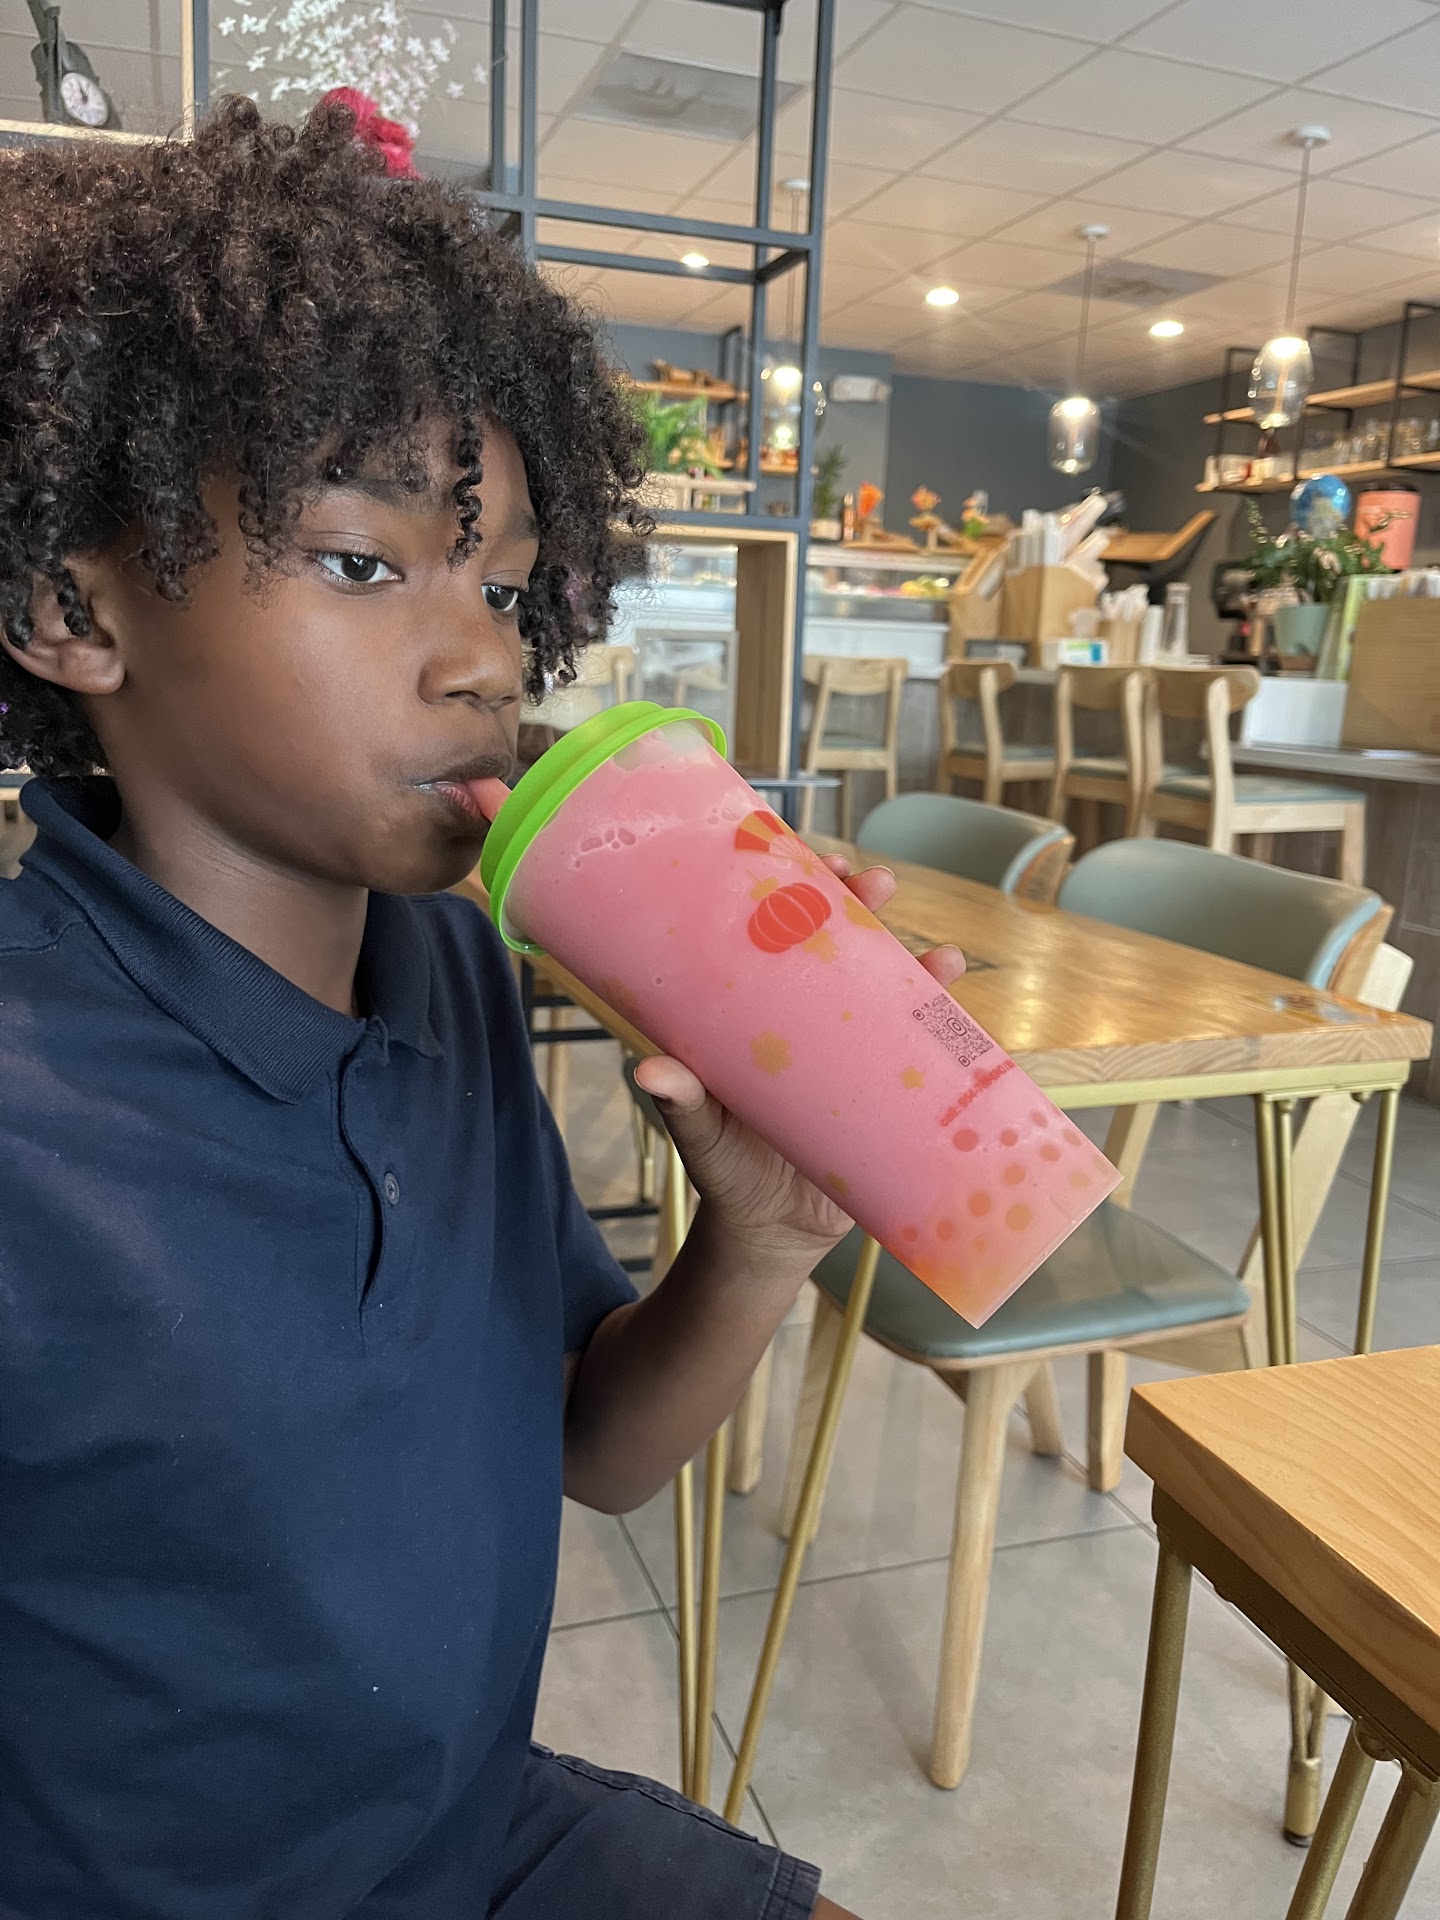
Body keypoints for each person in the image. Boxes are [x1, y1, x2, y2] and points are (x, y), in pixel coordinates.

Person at [0, 100, 961, 1920]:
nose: (489, 658)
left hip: (461, 1836)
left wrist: (765, 1235)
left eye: (508, 584)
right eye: (365, 564)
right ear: (71, 603)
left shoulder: (448, 970)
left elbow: (596, 1448)